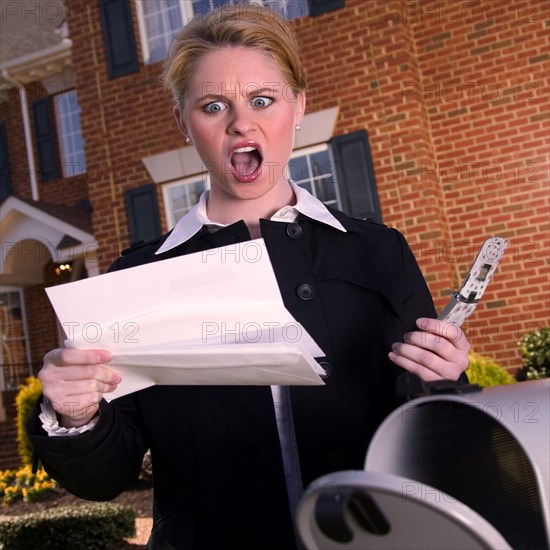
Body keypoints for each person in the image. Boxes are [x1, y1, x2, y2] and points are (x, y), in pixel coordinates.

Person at [27, 5, 470, 549]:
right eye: (214, 106)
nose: (242, 123)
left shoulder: (379, 253)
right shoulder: (136, 279)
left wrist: (444, 380)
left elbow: (432, 436)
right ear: (185, 124)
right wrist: (74, 414)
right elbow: (102, 478)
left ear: (298, 106)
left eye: (263, 100)